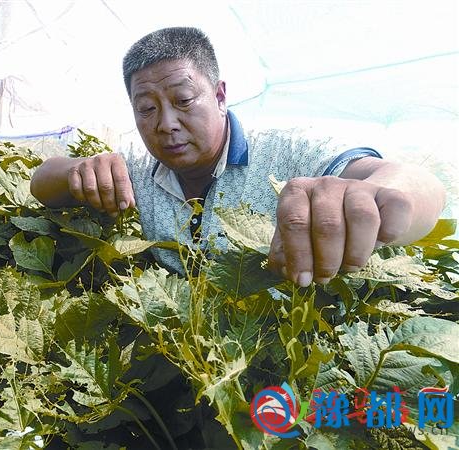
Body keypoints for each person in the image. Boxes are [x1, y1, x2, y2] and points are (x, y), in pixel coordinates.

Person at [30, 27, 445, 286]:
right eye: (147, 108)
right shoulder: (136, 170)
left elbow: (416, 185)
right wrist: (77, 170)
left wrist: (377, 196)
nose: (166, 124)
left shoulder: (287, 153)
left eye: (184, 100)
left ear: (220, 96)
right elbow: (41, 182)